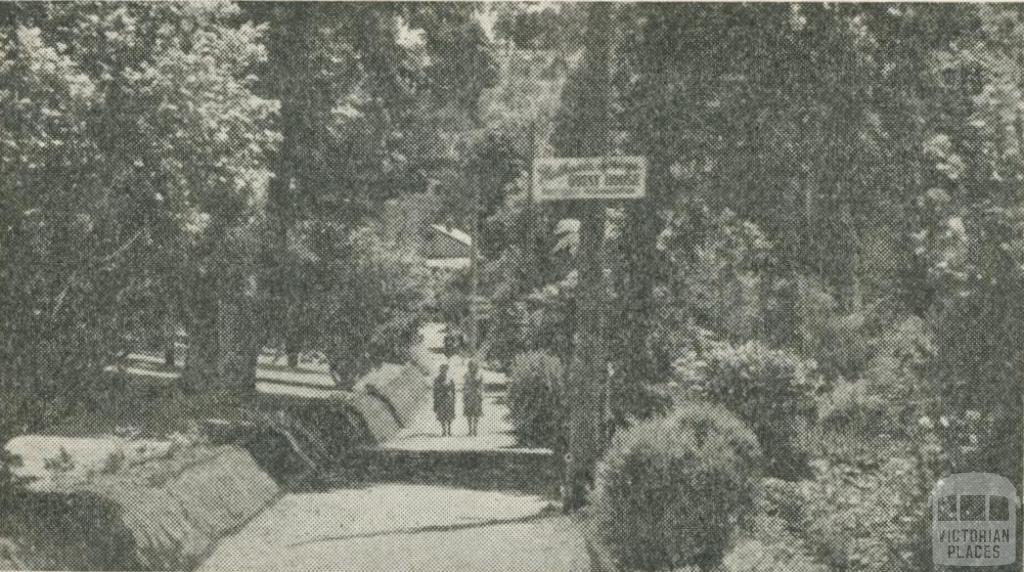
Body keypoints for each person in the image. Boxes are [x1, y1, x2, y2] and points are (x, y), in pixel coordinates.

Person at [463, 360, 484, 436]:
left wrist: (481, 394)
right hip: (469, 395)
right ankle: (470, 430)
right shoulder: (466, 375)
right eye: (470, 366)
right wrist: (464, 395)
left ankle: (475, 429)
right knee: (468, 414)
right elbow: (465, 386)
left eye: (473, 365)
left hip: (476, 396)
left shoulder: (479, 375)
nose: (472, 367)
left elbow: (482, 386)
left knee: (476, 413)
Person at [433, 364, 455, 436]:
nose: (444, 371)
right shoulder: (437, 379)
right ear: (440, 370)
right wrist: (436, 399)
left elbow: (453, 389)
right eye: (442, 369)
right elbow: (435, 390)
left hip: (448, 399)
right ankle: (444, 431)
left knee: (449, 415)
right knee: (441, 415)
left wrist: (453, 398)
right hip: (441, 398)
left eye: (445, 370)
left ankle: (449, 430)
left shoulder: (450, 379)